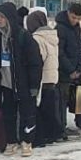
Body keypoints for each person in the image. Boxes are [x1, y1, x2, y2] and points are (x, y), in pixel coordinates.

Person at [0, 2, 43, 158]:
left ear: (9, 18)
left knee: (27, 114)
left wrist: (34, 86)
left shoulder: (23, 37)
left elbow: (35, 63)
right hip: (5, 83)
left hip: (23, 83)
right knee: (8, 114)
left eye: (2, 17)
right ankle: (11, 141)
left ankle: (27, 141)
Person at [27, 10, 60, 147]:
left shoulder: (37, 39)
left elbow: (38, 60)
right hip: (52, 78)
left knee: (39, 110)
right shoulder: (51, 36)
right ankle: (52, 135)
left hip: (43, 79)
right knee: (49, 110)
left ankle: (40, 137)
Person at [55, 3, 81, 139]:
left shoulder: (77, 28)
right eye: (73, 17)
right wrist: (70, 69)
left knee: (68, 99)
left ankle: (64, 125)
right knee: (61, 100)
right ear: (68, 13)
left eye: (78, 19)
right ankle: (60, 128)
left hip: (74, 69)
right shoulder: (60, 28)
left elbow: (78, 48)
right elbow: (59, 53)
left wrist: (79, 66)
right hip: (63, 71)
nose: (75, 21)